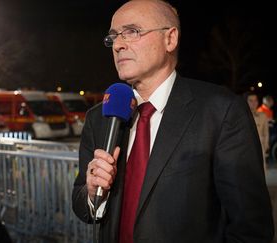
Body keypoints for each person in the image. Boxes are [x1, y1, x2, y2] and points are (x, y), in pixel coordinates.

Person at [71, 0, 274, 242]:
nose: (118, 45)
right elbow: (81, 204)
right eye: (113, 36)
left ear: (170, 39)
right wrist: (94, 194)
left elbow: (251, 228)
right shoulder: (101, 116)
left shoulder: (221, 110)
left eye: (132, 32)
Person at [244, 91, 269, 171]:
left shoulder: (263, 116)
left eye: (255, 100)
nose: (254, 103)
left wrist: (264, 147)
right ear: (245, 101)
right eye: (251, 100)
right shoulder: (241, 116)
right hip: (245, 150)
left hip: (259, 149)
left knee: (260, 174)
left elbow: (266, 133)